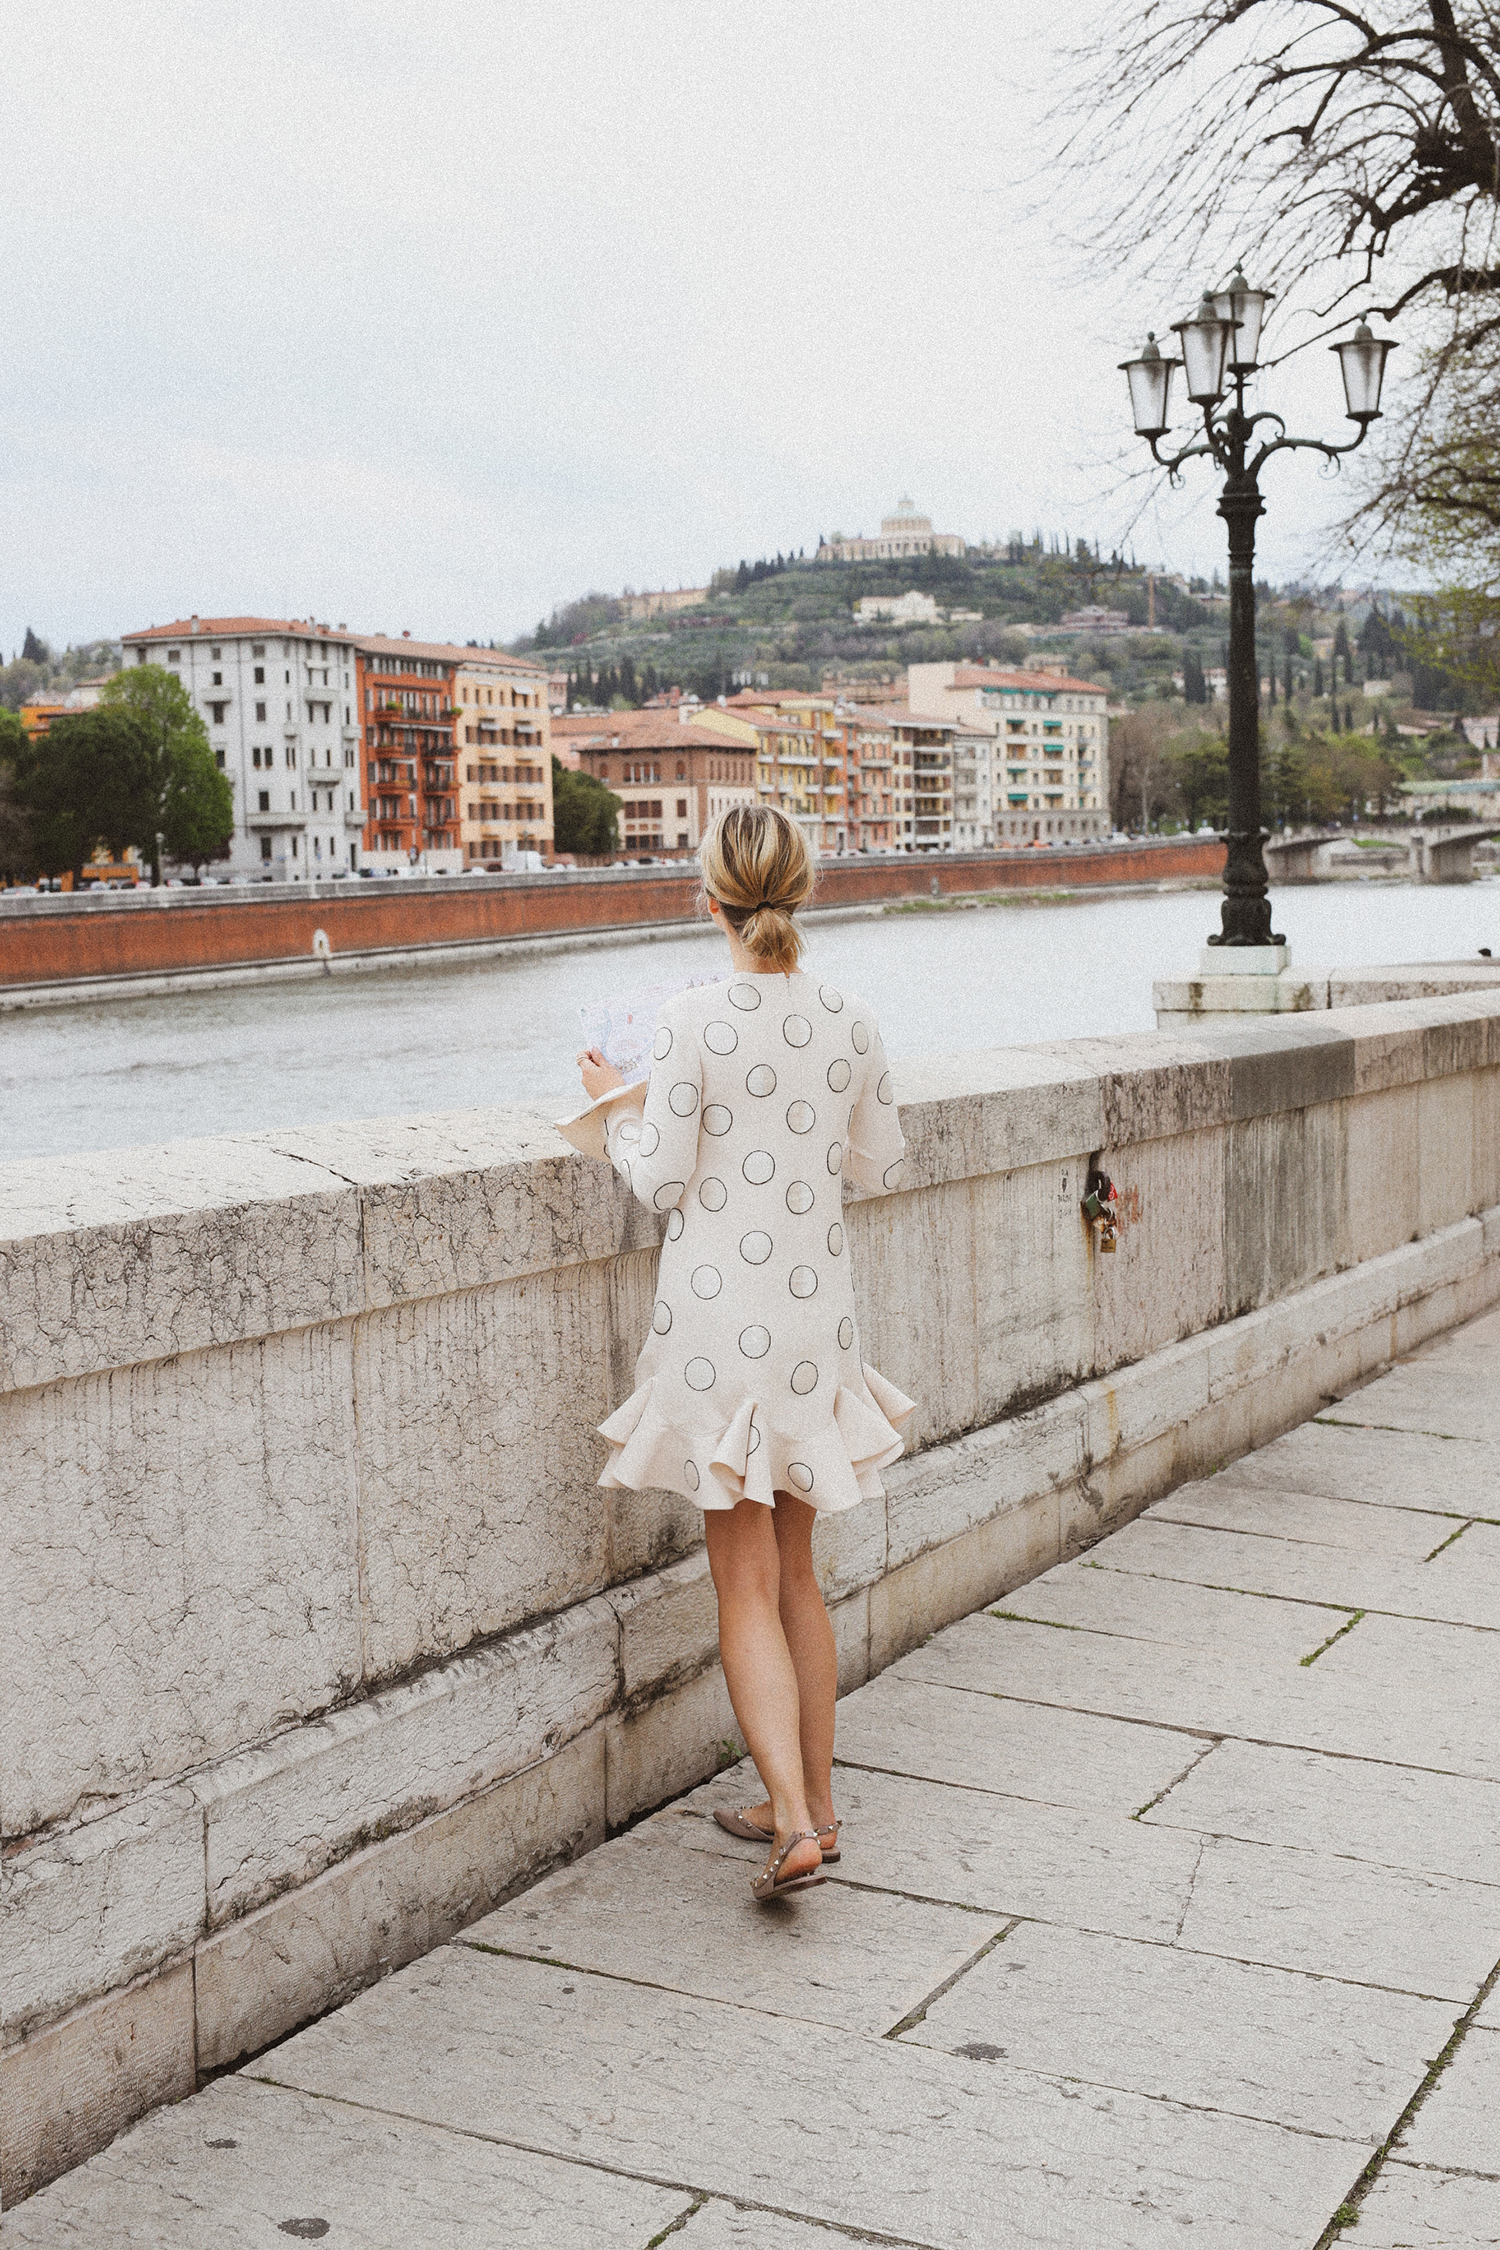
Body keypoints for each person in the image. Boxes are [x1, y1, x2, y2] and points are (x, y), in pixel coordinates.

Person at [577, 804, 912, 1901]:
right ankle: (811, 1802)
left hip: (718, 1329)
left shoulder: (687, 1018)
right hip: (817, 1323)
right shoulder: (853, 1015)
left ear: (706, 898)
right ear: (803, 890)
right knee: (801, 1575)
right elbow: (875, 1163)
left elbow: (660, 1180)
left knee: (742, 1582)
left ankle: (792, 1828)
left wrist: (612, 1112)